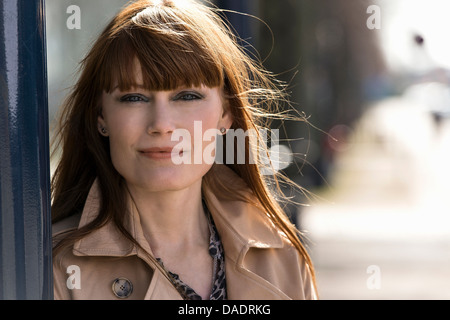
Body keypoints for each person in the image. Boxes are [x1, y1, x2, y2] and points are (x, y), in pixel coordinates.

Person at [51, 0, 318, 300]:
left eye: (187, 95)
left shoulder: (282, 258)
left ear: (225, 114)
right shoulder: (55, 268)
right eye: (134, 98)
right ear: (101, 117)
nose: (162, 125)